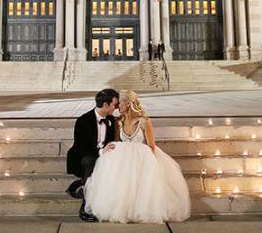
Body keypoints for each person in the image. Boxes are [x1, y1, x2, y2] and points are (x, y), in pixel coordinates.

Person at [83, 90, 191, 223]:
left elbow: (151, 146)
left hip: (143, 159)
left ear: (127, 104)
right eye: (115, 105)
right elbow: (117, 142)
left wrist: (148, 165)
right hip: (124, 160)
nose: (117, 107)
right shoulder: (118, 122)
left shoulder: (144, 122)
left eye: (119, 104)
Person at [65, 89, 119, 222]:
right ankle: (85, 207)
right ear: (106, 105)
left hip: (105, 154)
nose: (116, 107)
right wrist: (101, 152)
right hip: (84, 156)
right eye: (115, 105)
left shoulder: (111, 120)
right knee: (91, 162)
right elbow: (81, 148)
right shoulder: (83, 121)